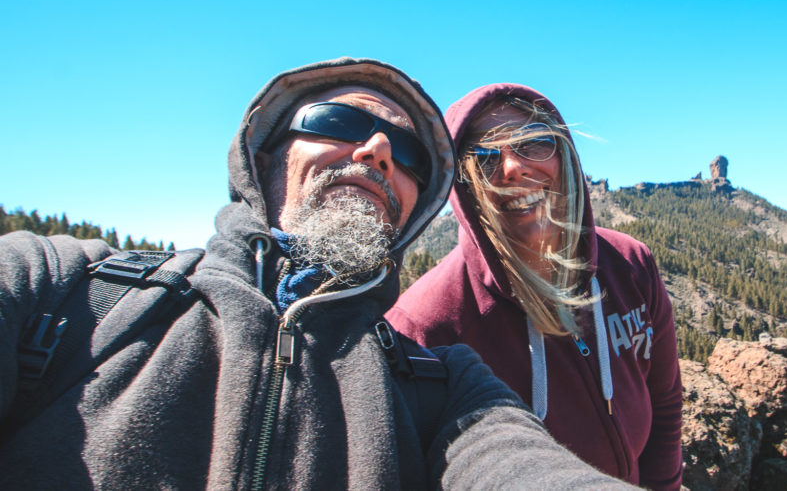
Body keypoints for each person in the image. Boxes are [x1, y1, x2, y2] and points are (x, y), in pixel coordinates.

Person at [0, 58, 636, 489]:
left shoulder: (440, 384)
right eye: (339, 123)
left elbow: (516, 463)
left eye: (408, 151)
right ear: (266, 153)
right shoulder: (71, 287)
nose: (378, 149)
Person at [389, 84, 684, 490]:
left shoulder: (630, 264)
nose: (513, 168)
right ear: (462, 186)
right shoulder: (425, 325)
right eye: (483, 157)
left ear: (564, 154)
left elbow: (665, 403)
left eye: (533, 143)